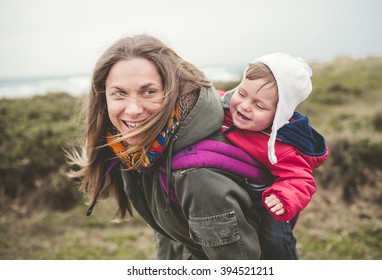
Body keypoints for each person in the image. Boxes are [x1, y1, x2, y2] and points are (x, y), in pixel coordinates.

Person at [66, 34, 267, 260]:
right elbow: (172, 238)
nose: (132, 110)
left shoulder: (197, 177)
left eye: (149, 91)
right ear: (103, 98)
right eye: (119, 93)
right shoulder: (145, 150)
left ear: (173, 91)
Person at [220, 52, 329, 259]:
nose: (244, 106)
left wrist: (282, 197)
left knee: (276, 244)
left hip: (268, 203)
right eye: (242, 93)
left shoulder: (280, 145)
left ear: (279, 114)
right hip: (235, 197)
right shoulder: (224, 111)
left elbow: (300, 178)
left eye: (259, 105)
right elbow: (208, 96)